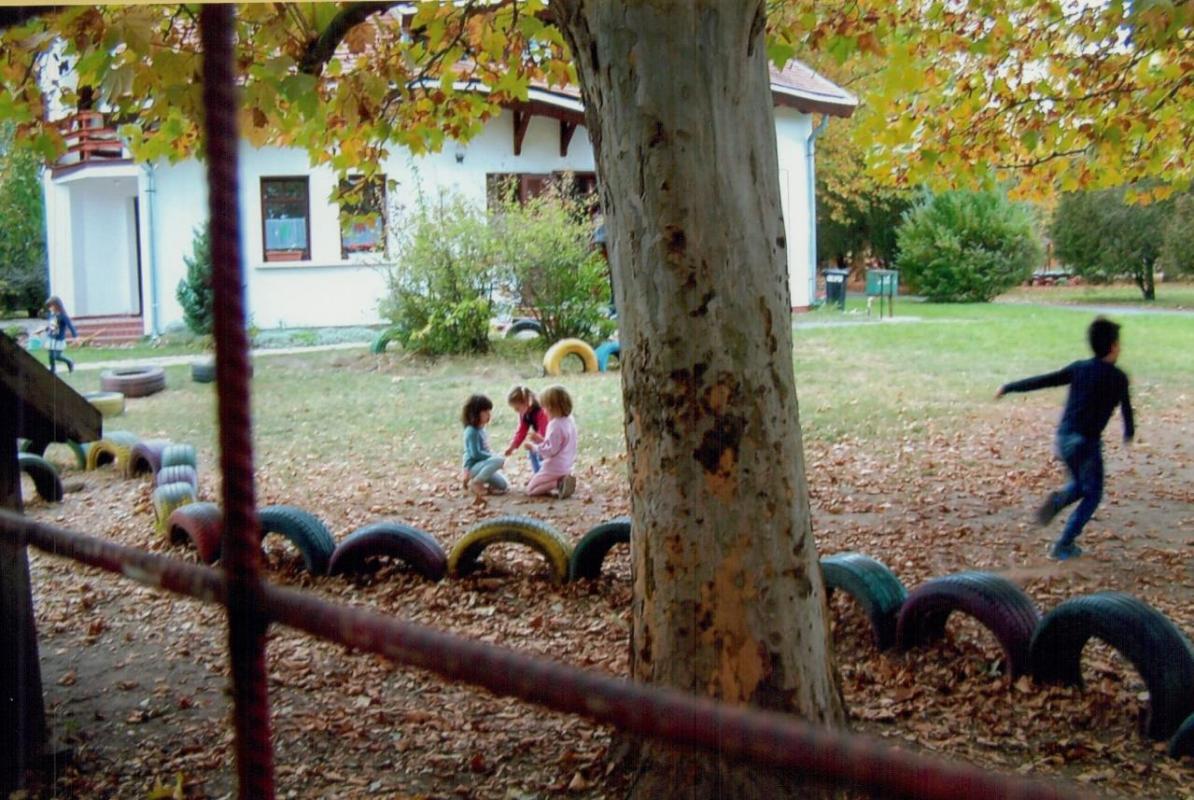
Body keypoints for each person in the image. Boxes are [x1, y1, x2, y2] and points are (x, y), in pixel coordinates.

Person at [996, 317, 1134, 560]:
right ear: (1113, 346)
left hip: (1064, 439)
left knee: (1081, 485)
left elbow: (1045, 380)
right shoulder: (1119, 377)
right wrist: (1129, 432)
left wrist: (1010, 387)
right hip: (1086, 442)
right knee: (1092, 493)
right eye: (1119, 343)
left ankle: (1058, 501)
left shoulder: (1079, 368)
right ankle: (1064, 544)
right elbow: (1126, 409)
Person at [525, 385, 578, 498]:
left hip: (554, 467)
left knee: (531, 490)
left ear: (550, 408)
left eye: (544, 408)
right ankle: (561, 480)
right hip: (567, 465)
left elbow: (550, 451)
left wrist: (534, 447)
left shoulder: (555, 425)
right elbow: (560, 444)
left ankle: (558, 483)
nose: (543, 411)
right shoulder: (569, 420)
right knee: (538, 481)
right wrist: (541, 440)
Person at [459, 394, 508, 503]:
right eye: (485, 412)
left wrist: (492, 457)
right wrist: (493, 457)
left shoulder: (481, 430)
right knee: (500, 460)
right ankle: (476, 482)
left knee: (503, 485)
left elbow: (486, 450)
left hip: (482, 465)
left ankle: (486, 484)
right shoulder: (471, 431)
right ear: (475, 413)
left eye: (489, 411)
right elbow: (475, 454)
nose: (488, 415)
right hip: (473, 467)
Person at [504, 385, 549, 473]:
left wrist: (538, 440)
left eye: (517, 408)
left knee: (539, 453)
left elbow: (544, 431)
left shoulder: (541, 412)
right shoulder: (524, 414)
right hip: (539, 439)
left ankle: (545, 474)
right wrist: (512, 446)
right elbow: (521, 431)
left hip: (547, 439)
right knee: (531, 451)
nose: (516, 411)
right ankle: (537, 473)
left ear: (526, 402)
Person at [42, 296, 77, 374]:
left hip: (59, 340)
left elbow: (70, 326)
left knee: (56, 356)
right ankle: (52, 370)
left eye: (51, 306)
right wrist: (45, 329)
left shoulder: (63, 316)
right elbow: (52, 326)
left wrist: (75, 337)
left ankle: (69, 361)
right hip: (51, 338)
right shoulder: (52, 315)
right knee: (51, 355)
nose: (49, 308)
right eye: (49, 307)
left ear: (57, 305)